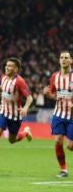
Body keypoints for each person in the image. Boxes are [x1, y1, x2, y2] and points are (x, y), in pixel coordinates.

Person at [43, 50, 73, 178]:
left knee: (70, 146)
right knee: (58, 141)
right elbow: (53, 94)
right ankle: (63, 170)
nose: (64, 59)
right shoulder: (55, 76)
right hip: (59, 114)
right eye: (61, 57)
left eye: (66, 57)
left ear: (71, 60)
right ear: (59, 60)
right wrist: (47, 94)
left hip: (72, 116)